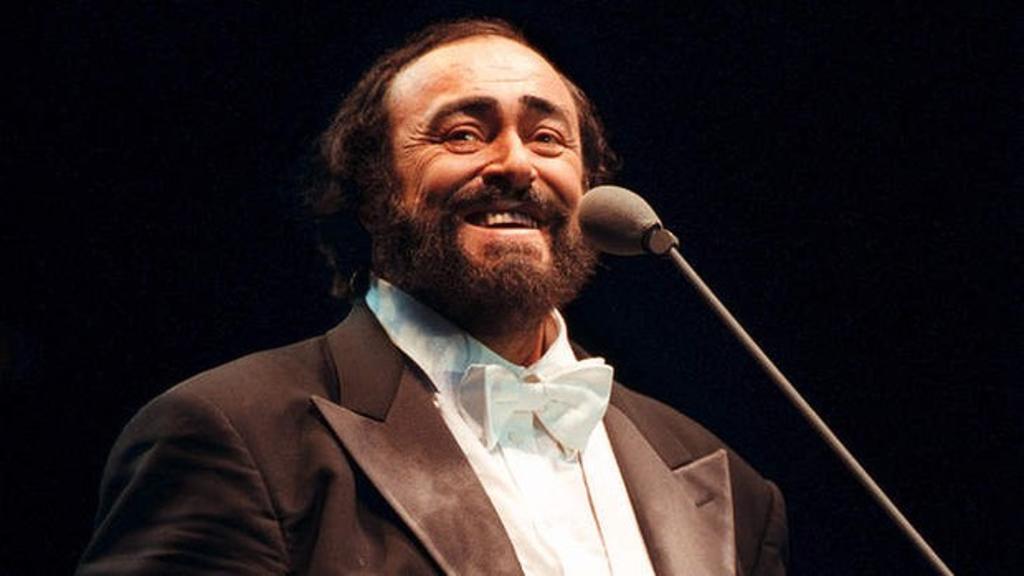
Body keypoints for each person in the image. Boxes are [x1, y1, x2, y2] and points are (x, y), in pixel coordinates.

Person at [78, 18, 787, 575]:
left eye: (547, 138)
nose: (515, 163)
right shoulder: (233, 434)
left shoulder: (727, 484)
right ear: (371, 191)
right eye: (463, 134)